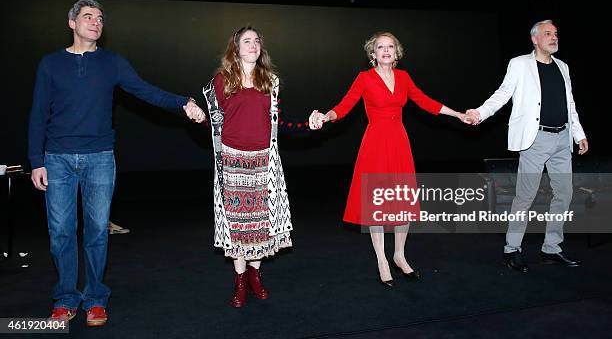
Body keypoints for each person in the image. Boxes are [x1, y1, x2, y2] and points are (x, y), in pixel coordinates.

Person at [28, 0, 205, 326]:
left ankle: (95, 298)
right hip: (57, 159)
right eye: (87, 16)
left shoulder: (113, 63)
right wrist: (36, 160)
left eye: (99, 18)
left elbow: (146, 91)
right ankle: (66, 298)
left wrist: (184, 103)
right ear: (72, 23)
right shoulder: (50, 63)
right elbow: (38, 113)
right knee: (61, 233)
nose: (95, 22)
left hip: (99, 158)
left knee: (97, 230)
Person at [309, 32, 467, 286]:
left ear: (396, 52)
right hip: (375, 144)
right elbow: (345, 105)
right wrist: (326, 117)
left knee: (402, 201)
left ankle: (400, 256)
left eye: (390, 47)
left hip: (399, 143)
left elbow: (425, 101)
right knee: (377, 204)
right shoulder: (364, 78)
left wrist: (457, 114)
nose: (385, 50)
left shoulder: (404, 78)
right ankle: (382, 260)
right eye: (380, 47)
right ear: (373, 54)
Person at [465, 19, 588, 273]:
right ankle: (512, 249)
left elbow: (570, 104)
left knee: (564, 194)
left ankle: (551, 248)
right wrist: (479, 112)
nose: (554, 37)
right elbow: (503, 93)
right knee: (526, 196)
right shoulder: (520, 64)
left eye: (555, 34)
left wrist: (579, 135)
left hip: (562, 140)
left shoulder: (563, 67)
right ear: (535, 39)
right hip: (536, 139)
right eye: (547, 34)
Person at [202, 26, 292, 308]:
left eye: (256, 41)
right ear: (236, 48)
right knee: (237, 224)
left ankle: (255, 275)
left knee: (260, 224)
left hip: (264, 160)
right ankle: (240, 281)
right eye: (246, 41)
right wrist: (196, 115)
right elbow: (212, 122)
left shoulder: (271, 81)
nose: (253, 45)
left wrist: (310, 122)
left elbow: (279, 122)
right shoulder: (221, 80)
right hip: (232, 159)